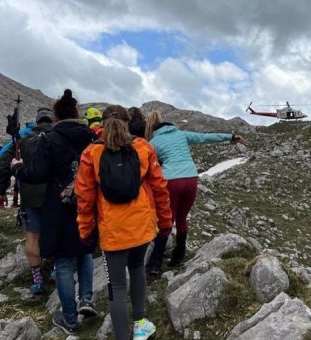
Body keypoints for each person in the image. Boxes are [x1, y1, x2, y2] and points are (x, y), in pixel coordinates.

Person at [75, 105, 172, 340]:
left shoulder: (91, 153)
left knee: (116, 287)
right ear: (128, 123)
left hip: (112, 231)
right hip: (142, 227)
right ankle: (140, 325)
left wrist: (85, 231)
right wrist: (165, 221)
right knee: (137, 268)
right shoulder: (143, 147)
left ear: (102, 123)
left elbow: (84, 196)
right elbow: (160, 187)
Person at [11, 89, 98, 335]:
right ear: (77, 114)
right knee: (85, 252)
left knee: (62, 260)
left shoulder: (49, 140)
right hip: (87, 204)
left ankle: (69, 318)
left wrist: (17, 168)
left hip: (58, 206)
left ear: (57, 116)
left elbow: (37, 174)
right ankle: (87, 300)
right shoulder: (92, 137)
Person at [144, 111, 245, 276]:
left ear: (153, 129)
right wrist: (231, 136)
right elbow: (204, 138)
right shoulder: (181, 134)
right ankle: (178, 257)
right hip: (191, 178)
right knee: (182, 218)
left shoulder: (153, 143)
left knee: (167, 222)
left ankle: (154, 264)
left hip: (171, 181)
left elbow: (147, 164)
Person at [0, 108, 54, 294]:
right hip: (55, 194)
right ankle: (57, 270)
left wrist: (2, 191)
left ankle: (37, 280)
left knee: (32, 236)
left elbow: (4, 164)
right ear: (52, 120)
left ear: (36, 121)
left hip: (30, 195)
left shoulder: (22, 139)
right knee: (56, 232)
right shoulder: (58, 137)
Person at [0, 124, 36, 208]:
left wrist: (1, 190)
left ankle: (16, 202)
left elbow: (2, 159)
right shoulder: (57, 134)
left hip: (28, 189)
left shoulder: (22, 135)